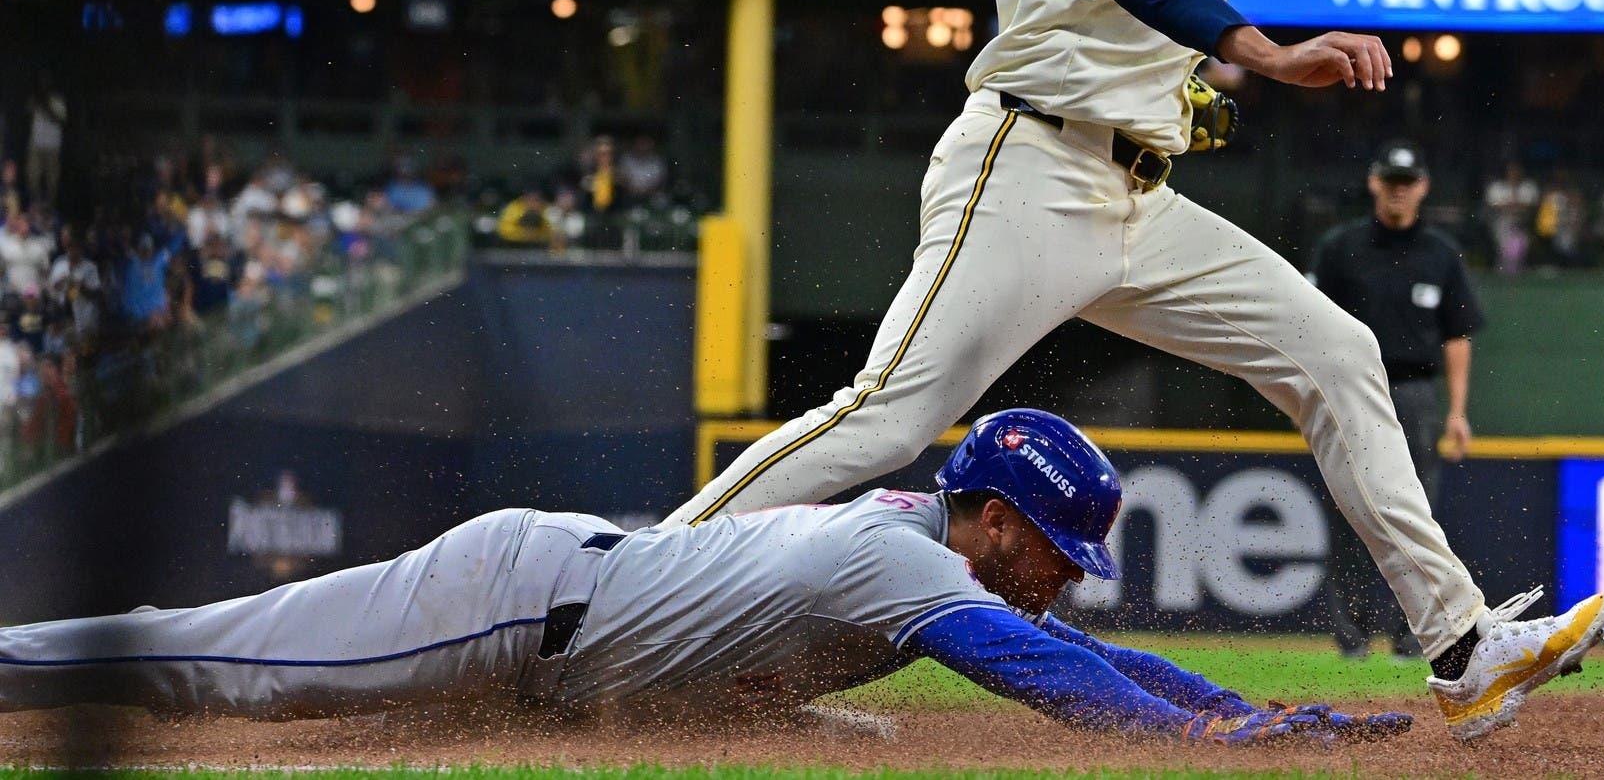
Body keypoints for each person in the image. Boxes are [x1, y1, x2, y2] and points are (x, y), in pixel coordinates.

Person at [668, 0, 1604, 741]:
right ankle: (634, 580)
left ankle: (1462, 646)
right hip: (1028, 169)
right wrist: (1262, 53)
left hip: (1133, 194)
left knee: (1335, 351)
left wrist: (1105, 49)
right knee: (887, 417)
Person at [0, 410, 1416, 744]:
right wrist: (1199, 736)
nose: (1067, 576)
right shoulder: (889, 553)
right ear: (987, 516)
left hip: (583, 659)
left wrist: (1235, 710)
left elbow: (1097, 656)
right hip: (517, 597)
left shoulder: (925, 554)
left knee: (839, 739)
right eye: (1055, 546)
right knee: (224, 661)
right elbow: (1057, 675)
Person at [1307, 145, 1484, 660]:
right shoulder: (1340, 248)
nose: (1400, 189)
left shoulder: (1441, 253)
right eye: (1392, 180)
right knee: (1347, 508)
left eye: (1408, 180)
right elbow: (1311, 323)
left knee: (1416, 513)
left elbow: (1458, 337)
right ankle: (1352, 634)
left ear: (1423, 187)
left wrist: (1457, 411)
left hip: (1414, 391)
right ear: (1374, 183)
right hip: (1351, 387)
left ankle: (1416, 634)